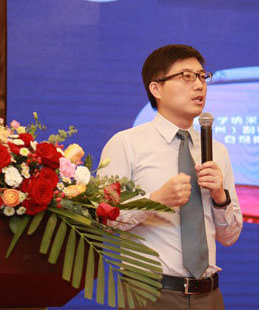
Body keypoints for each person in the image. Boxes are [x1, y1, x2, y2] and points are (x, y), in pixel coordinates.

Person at [100, 44, 242, 309]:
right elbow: (105, 218)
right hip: (149, 294)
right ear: (156, 89)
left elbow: (229, 236)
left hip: (209, 296)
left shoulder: (217, 151)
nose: (199, 85)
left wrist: (220, 197)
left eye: (202, 77)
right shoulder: (126, 144)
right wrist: (155, 200)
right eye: (186, 76)